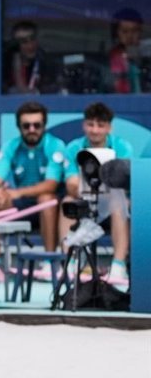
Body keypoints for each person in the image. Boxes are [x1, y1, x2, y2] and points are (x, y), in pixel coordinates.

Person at [0, 101, 68, 276]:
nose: (31, 129)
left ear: (44, 125)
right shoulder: (10, 146)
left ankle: (48, 260)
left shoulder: (55, 145)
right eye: (26, 125)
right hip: (22, 206)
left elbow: (51, 184)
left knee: (46, 198)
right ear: (19, 127)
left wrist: (17, 192)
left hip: (49, 207)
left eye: (37, 125)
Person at [58, 101, 133, 291]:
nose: (95, 130)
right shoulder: (73, 148)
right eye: (90, 124)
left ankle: (118, 264)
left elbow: (123, 186)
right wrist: (92, 190)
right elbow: (71, 185)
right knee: (67, 201)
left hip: (112, 204)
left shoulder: (123, 148)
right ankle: (71, 261)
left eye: (100, 125)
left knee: (119, 199)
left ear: (109, 127)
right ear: (84, 125)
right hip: (84, 202)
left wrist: (103, 191)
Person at [2, 20, 62, 95]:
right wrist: (16, 68)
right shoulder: (3, 68)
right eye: (24, 41)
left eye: (32, 39)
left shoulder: (47, 64)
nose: (30, 45)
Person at [106, 7, 147, 94]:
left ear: (141, 32)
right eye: (125, 31)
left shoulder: (147, 57)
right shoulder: (109, 60)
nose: (130, 36)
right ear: (116, 33)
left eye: (134, 31)